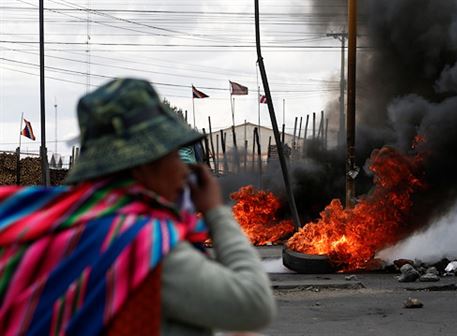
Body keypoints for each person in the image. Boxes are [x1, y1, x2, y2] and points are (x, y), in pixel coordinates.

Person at [0, 78, 276, 335]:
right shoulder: (142, 242)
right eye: (174, 155)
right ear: (147, 163)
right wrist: (216, 211)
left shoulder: (60, 220)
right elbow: (253, 304)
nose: (184, 170)